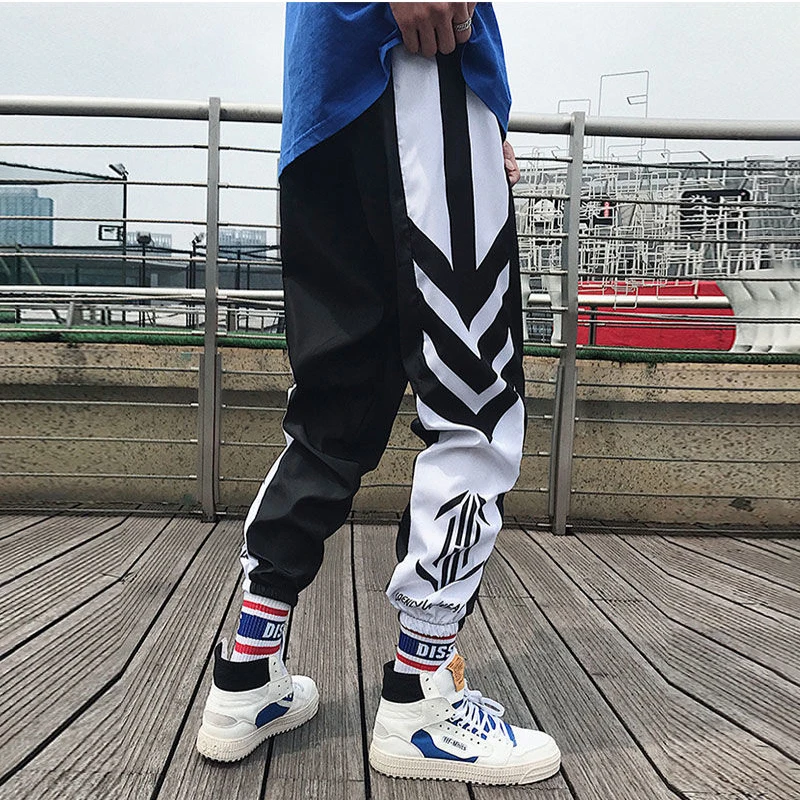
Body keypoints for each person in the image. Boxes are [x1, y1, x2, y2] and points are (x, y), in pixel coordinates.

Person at [196, 1, 561, 785]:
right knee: (475, 400)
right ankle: (422, 697)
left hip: (325, 96)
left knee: (334, 405)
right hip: (418, 62)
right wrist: (470, 108)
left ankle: (248, 669)